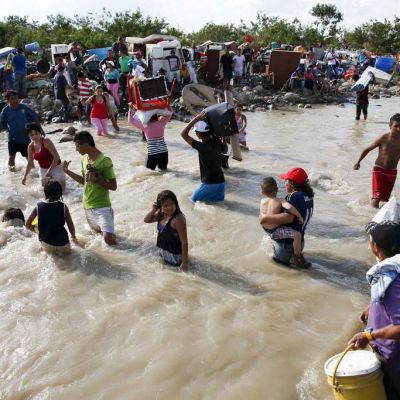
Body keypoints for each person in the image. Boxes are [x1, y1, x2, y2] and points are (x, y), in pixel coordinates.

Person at [348, 220, 400, 400]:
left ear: (376, 247)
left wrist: (368, 336)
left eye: (370, 241)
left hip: (393, 359)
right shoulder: (393, 272)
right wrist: (373, 305)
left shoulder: (393, 282)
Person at [62, 131, 117, 245]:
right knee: (98, 235)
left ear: (86, 145)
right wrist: (67, 171)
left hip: (102, 205)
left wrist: (98, 179)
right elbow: (84, 182)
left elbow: (113, 186)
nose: (76, 149)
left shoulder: (105, 160)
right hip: (87, 205)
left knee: (109, 239)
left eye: (77, 146)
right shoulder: (84, 159)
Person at [260, 167, 314, 266]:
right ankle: (298, 258)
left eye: (286, 180)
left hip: (285, 245)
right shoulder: (309, 196)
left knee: (279, 272)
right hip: (299, 242)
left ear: (291, 183)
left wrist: (264, 217)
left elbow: (287, 218)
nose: (284, 182)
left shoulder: (292, 196)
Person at [354, 113, 400, 208]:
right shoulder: (383, 138)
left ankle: (382, 218)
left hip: (392, 172)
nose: (398, 129)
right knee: (377, 196)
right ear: (390, 126)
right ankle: (371, 217)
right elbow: (367, 149)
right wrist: (358, 162)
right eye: (396, 126)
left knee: (385, 199)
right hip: (379, 169)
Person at [181, 111, 225, 202]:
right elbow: (225, 149)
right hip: (221, 182)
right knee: (217, 205)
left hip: (209, 183)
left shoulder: (202, 147)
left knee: (191, 202)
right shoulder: (217, 142)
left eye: (196, 132)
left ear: (199, 134)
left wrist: (196, 119)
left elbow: (183, 134)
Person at [26, 180, 77, 255]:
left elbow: (28, 224)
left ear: (45, 192)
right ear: (60, 193)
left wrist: (38, 231)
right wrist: (73, 237)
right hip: (63, 242)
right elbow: (70, 225)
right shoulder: (63, 206)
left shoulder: (38, 206)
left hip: (47, 243)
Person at [144, 190, 189, 271]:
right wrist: (154, 209)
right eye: (165, 205)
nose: (170, 207)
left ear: (176, 203)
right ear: (160, 206)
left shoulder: (178, 219)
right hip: (163, 253)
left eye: (172, 204)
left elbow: (184, 242)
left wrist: (185, 263)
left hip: (176, 258)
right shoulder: (161, 215)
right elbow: (146, 220)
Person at [0, 90, 41, 169]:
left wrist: (40, 130)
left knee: (30, 160)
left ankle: (33, 176)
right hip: (12, 139)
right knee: (11, 159)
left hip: (25, 139)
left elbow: (35, 117)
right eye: (12, 98)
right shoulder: (5, 111)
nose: (15, 100)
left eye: (16, 98)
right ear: (7, 100)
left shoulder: (23, 107)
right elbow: (1, 125)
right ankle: (12, 177)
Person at [22, 122, 66, 190]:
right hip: (43, 170)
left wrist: (49, 171)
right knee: (47, 193)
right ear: (28, 136)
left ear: (40, 132)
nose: (34, 136)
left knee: (63, 192)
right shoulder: (30, 146)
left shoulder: (46, 141)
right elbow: (30, 163)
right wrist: (25, 176)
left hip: (56, 168)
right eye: (31, 135)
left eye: (36, 133)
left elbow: (56, 157)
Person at [128, 106, 172, 170]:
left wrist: (130, 109)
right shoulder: (161, 123)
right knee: (164, 171)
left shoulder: (145, 126)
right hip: (164, 152)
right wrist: (167, 105)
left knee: (149, 173)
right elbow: (169, 114)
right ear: (156, 116)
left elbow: (130, 121)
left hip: (152, 154)